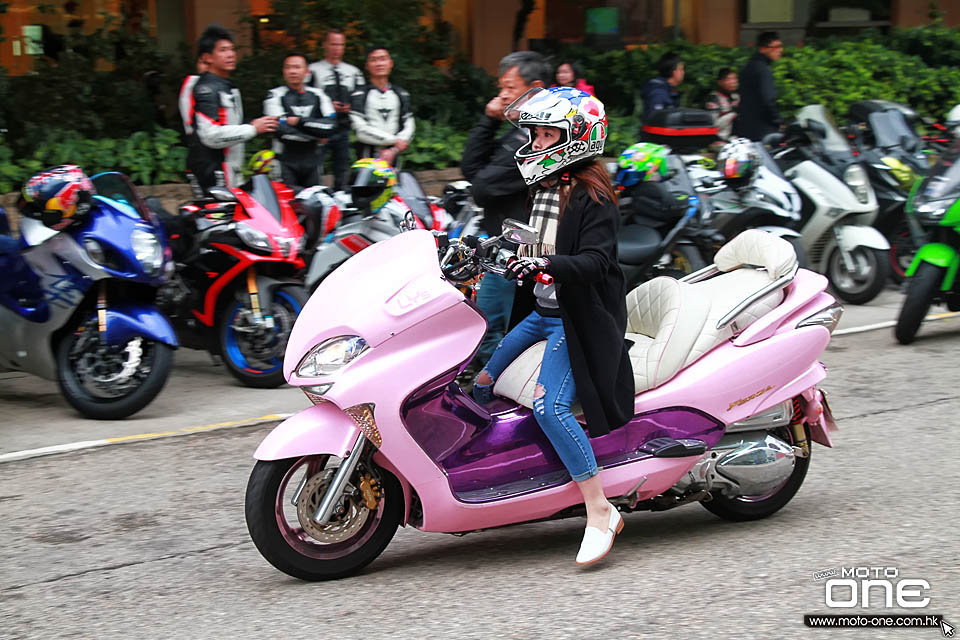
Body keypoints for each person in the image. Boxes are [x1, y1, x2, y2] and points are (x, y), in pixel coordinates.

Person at [473, 86, 635, 566]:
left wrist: (547, 264)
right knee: (479, 384)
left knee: (550, 406)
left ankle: (599, 508)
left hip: (574, 319)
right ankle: (507, 476)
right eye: (536, 133)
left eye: (547, 134)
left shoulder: (593, 197)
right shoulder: (544, 188)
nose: (537, 143)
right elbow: (528, 243)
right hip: (540, 315)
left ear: (577, 138)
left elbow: (595, 263)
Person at [459, 51, 551, 377]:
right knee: (486, 323)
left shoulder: (538, 138)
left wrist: (483, 181)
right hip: (498, 243)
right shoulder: (517, 130)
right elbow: (471, 169)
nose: (502, 96)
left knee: (498, 326)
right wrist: (488, 118)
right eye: (501, 88)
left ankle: (507, 391)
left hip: (519, 248)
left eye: (509, 87)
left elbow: (481, 187)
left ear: (535, 89)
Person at [186, 25, 278, 192]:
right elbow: (210, 135)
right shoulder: (206, 88)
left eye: (232, 49)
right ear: (207, 57)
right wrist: (252, 129)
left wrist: (255, 123)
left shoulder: (227, 86)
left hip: (230, 168)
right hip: (212, 170)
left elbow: (229, 123)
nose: (231, 54)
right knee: (219, 217)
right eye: (223, 50)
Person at [264, 52, 336, 192]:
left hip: (313, 162)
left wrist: (298, 121)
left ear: (307, 71)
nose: (292, 71)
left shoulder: (319, 95)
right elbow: (280, 129)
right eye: (288, 67)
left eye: (297, 67)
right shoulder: (274, 94)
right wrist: (316, 131)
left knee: (314, 205)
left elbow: (331, 127)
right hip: (284, 160)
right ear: (283, 72)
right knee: (286, 206)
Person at [309, 30, 365, 191]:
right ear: (325, 45)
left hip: (344, 126)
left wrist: (352, 106)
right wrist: (327, 106)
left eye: (340, 44)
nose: (337, 48)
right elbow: (307, 95)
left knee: (342, 167)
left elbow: (361, 95)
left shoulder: (353, 71)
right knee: (316, 166)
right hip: (321, 127)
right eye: (333, 44)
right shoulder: (313, 70)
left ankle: (341, 197)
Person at [349, 46, 414, 167]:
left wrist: (393, 150)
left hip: (394, 156)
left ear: (391, 63)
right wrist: (395, 141)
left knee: (394, 185)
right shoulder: (359, 95)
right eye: (374, 60)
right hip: (366, 156)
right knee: (367, 185)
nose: (379, 63)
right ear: (367, 65)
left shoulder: (401, 94)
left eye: (383, 59)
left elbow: (409, 124)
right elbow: (361, 130)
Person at [734, 31, 784, 141]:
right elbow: (768, 99)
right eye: (777, 47)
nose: (780, 50)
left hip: (746, 126)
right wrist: (778, 121)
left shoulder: (747, 67)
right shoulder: (763, 70)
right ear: (763, 48)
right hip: (763, 129)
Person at [641, 52, 683, 121]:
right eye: (681, 69)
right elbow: (656, 121)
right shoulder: (658, 92)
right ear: (674, 72)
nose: (683, 72)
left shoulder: (670, 89)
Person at [706, 67, 740, 140]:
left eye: (734, 78)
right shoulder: (714, 97)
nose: (733, 81)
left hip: (739, 137)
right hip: (721, 138)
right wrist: (733, 113)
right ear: (720, 82)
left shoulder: (737, 97)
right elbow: (714, 124)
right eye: (728, 79)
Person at [178, 56, 209, 138]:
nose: (206, 67)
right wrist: (188, 125)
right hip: (196, 126)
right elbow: (184, 101)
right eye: (203, 63)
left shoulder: (220, 82)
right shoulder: (192, 80)